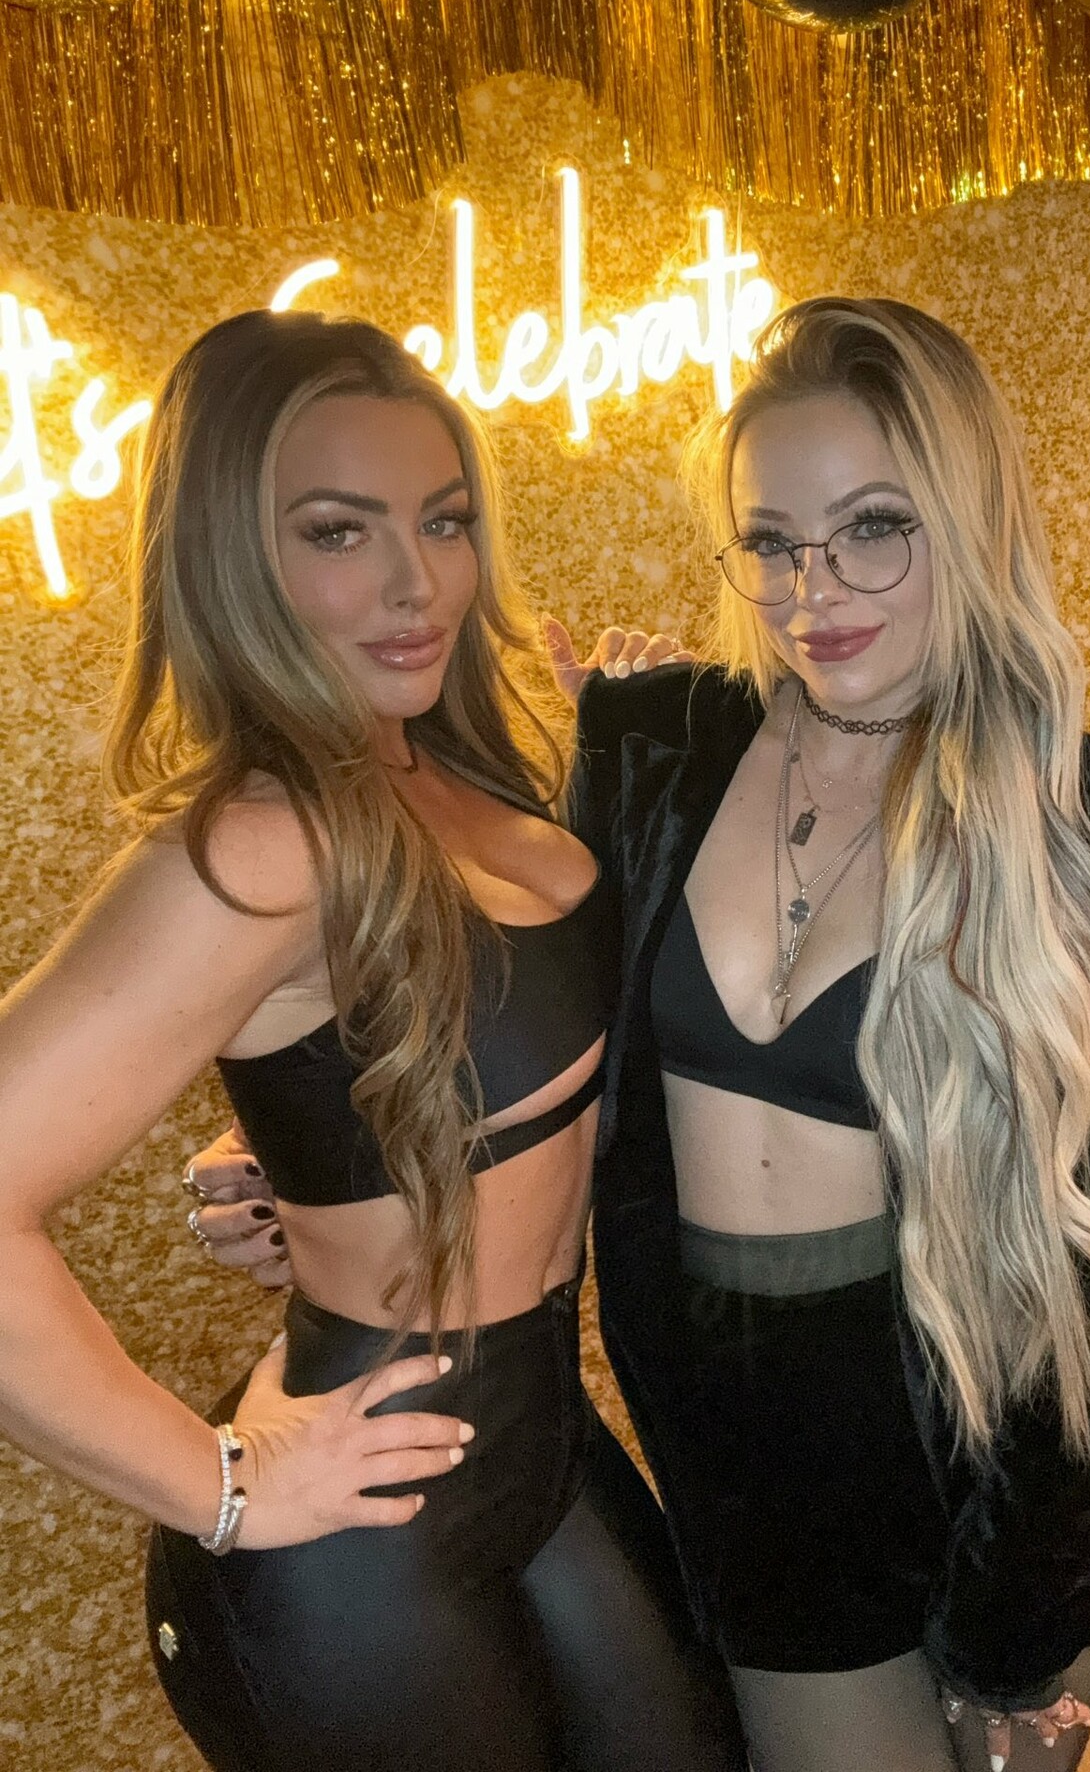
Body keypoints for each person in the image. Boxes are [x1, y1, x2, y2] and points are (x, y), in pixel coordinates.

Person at [193, 297, 1090, 1771]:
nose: (815, 591)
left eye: (874, 528)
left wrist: (1036, 1611)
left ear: (970, 517)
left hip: (1009, 1453)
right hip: (749, 1450)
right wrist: (319, 1152)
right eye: (771, 542)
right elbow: (534, 1025)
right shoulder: (659, 745)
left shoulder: (1089, 825)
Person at [0, 310, 747, 1772]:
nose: (419, 583)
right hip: (357, 1540)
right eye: (339, 532)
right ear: (234, 557)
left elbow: (471, 1048)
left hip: (540, 1439)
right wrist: (218, 1486)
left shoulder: (454, 770)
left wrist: (317, 1137)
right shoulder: (264, 841)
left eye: (443, 521)